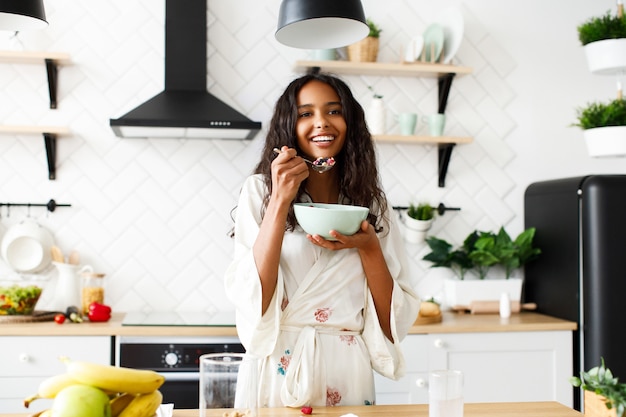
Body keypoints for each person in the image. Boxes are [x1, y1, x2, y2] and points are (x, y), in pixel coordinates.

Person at [225, 72, 419, 408]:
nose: (321, 123)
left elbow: (393, 324)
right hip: (276, 366)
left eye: (333, 111)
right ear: (289, 126)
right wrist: (280, 200)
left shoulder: (372, 205)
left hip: (346, 369)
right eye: (305, 114)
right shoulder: (260, 192)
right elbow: (254, 299)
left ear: (350, 123)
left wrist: (369, 248)